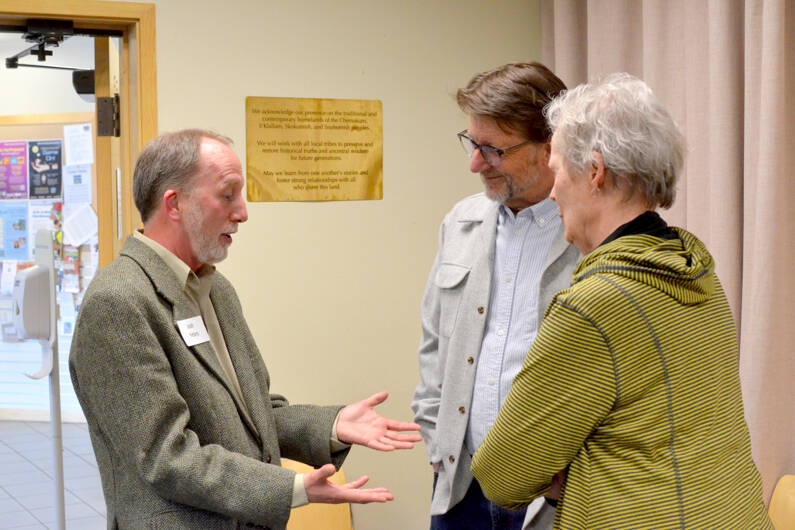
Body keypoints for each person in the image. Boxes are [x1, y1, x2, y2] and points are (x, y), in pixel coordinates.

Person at [69, 129, 422, 530]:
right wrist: (292, 488)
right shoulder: (117, 303)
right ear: (175, 204)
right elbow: (166, 456)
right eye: (228, 194)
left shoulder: (215, 290)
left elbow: (252, 417)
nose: (242, 212)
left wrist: (331, 424)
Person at [471, 73, 773, 529]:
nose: (552, 192)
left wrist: (575, 464)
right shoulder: (696, 271)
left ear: (594, 173)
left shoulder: (595, 305)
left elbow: (504, 475)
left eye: (558, 172)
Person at [410, 62, 580, 530]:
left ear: (550, 147)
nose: (474, 163)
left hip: (550, 500)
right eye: (471, 142)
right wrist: (434, 438)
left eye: (492, 149)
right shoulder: (461, 222)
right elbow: (433, 342)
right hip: (461, 486)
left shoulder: (590, 236)